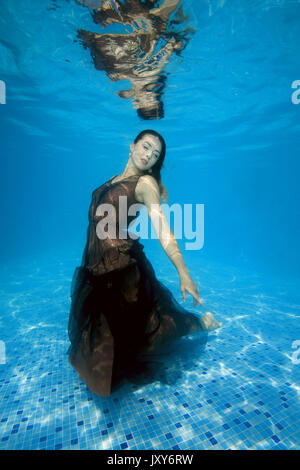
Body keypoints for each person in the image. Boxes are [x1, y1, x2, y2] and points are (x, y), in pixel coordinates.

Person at [67, 130, 222, 396]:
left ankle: (201, 324)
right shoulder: (114, 180)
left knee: (147, 338)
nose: (149, 154)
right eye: (146, 147)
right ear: (132, 146)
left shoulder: (145, 185)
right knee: (113, 344)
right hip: (94, 274)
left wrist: (183, 272)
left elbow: (162, 229)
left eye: (156, 153)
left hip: (122, 276)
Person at [76, 0, 194, 119]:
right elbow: (171, 45)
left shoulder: (123, 78)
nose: (134, 103)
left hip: (121, 25)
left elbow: (171, 45)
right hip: (130, 25)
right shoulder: (148, 71)